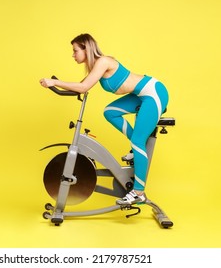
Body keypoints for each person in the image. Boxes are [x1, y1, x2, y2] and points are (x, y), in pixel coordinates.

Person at [39, 33, 169, 205]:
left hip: (153, 93)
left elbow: (84, 86)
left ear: (86, 48)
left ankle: (139, 192)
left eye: (75, 50)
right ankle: (137, 149)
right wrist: (57, 85)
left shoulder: (103, 62)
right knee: (110, 111)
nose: (73, 55)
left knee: (138, 141)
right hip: (141, 95)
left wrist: (55, 82)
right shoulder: (95, 68)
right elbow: (80, 88)